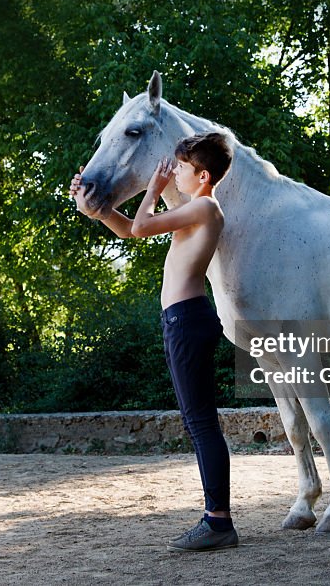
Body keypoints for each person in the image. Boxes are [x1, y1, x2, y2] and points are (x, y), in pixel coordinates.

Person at [70, 132, 237, 552]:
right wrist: (96, 208)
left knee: (201, 424)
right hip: (179, 321)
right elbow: (128, 229)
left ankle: (218, 521)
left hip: (188, 320)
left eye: (180, 168)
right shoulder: (194, 209)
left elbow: (142, 226)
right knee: (198, 422)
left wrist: (153, 188)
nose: (173, 172)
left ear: (202, 175)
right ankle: (217, 519)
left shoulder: (204, 206)